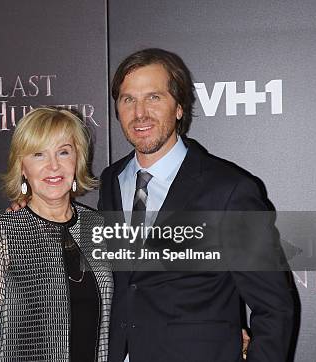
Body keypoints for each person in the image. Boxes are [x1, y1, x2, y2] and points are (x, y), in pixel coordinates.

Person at [100, 48, 294, 361]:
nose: (139, 113)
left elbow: (274, 308)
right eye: (128, 99)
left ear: (179, 107)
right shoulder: (111, 180)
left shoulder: (229, 190)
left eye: (154, 97)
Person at [0, 107, 113, 361]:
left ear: (78, 160)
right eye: (38, 154)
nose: (53, 165)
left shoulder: (97, 227)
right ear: (22, 167)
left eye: (64, 152)